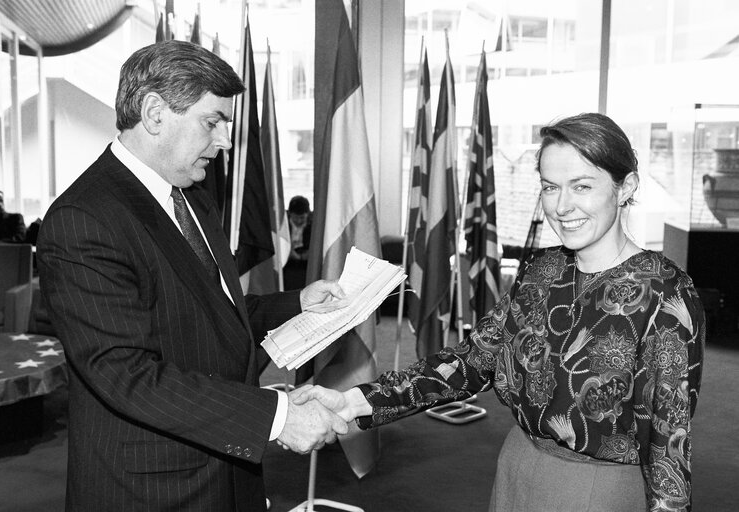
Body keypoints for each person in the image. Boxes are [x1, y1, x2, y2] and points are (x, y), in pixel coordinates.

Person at [294, 113, 706, 511]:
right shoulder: (542, 271)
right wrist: (354, 402)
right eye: (549, 187)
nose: (562, 207)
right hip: (517, 469)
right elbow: (471, 361)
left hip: (599, 491)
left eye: (581, 187)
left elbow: (669, 442)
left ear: (625, 186)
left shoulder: (666, 295)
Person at [37, 40, 347, 512]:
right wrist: (277, 417)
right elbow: (126, 373)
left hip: (227, 468)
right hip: (154, 490)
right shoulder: (84, 219)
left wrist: (299, 302)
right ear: (156, 112)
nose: (225, 142)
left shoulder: (192, 195)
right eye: (213, 122)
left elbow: (210, 313)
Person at [287, 195, 312, 262]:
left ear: (308, 214)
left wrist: (301, 257)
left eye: (302, 217)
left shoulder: (314, 225)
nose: (299, 221)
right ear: (290, 213)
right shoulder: (282, 224)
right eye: (295, 217)